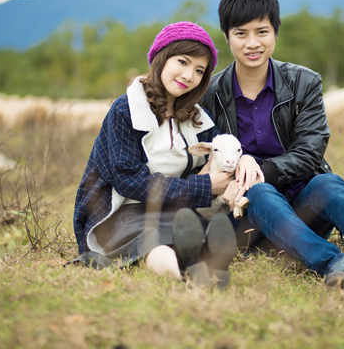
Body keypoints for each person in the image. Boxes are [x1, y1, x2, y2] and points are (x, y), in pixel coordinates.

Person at [200, 0, 344, 290]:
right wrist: (243, 172)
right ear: (226, 36)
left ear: (276, 32)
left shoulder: (304, 83)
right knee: (258, 191)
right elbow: (207, 158)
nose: (252, 43)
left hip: (302, 210)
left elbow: (310, 152)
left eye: (262, 32)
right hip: (247, 218)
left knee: (328, 183)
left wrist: (260, 168)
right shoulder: (210, 94)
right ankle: (337, 265)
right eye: (241, 33)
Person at [71, 21, 261, 287]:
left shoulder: (198, 118)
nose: (189, 75)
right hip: (122, 212)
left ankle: (208, 267)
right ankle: (185, 278)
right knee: (153, 239)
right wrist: (204, 186)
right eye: (182, 62)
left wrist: (245, 159)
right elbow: (128, 181)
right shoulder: (126, 111)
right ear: (161, 58)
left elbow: (224, 150)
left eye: (199, 70)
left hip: (175, 210)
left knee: (187, 228)